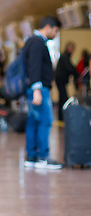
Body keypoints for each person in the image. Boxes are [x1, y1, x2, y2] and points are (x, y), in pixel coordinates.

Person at [23, 16, 63, 170]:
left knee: (33, 122)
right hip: (39, 89)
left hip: (35, 88)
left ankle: (32, 156)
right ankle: (42, 157)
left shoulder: (32, 41)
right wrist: (37, 90)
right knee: (45, 121)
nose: (56, 34)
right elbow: (35, 67)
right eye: (56, 30)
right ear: (48, 27)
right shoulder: (37, 43)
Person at [54, 41, 79, 122]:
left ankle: (62, 117)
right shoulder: (65, 56)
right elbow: (69, 67)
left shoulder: (65, 56)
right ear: (69, 48)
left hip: (61, 80)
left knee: (62, 98)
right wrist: (76, 74)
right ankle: (64, 117)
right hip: (60, 80)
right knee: (64, 98)